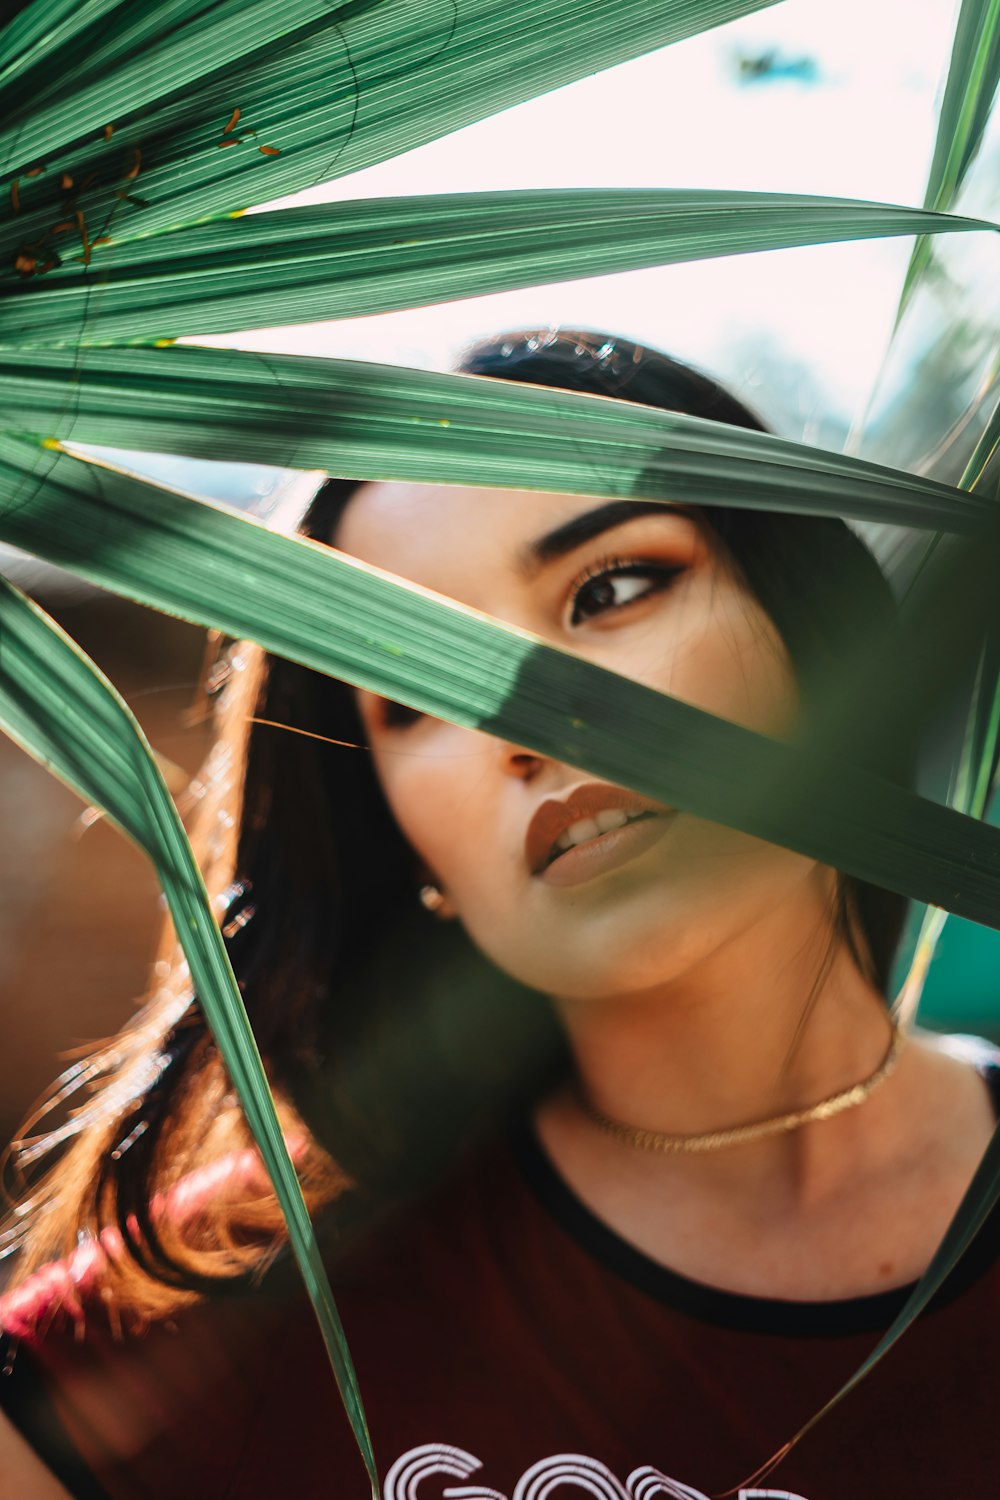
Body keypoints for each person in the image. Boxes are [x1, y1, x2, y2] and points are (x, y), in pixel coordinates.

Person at [1, 329, 998, 1500]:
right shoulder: (244, 1308)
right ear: (402, 838)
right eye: (419, 684)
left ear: (811, 630)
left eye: (611, 589)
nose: (530, 719)